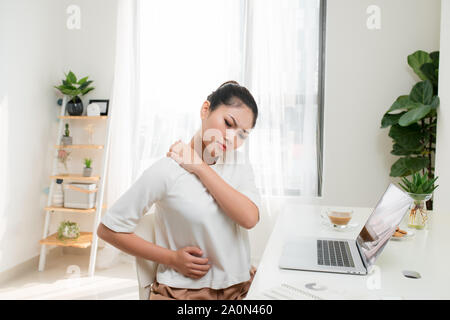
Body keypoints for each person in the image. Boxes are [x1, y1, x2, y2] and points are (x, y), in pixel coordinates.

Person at [97, 81, 261, 300]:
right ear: (205, 110)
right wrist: (172, 258)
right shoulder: (167, 171)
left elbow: (249, 218)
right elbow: (108, 229)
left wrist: (199, 167)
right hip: (182, 292)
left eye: (242, 135)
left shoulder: (239, 164)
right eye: (228, 123)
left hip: (240, 289)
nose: (232, 138)